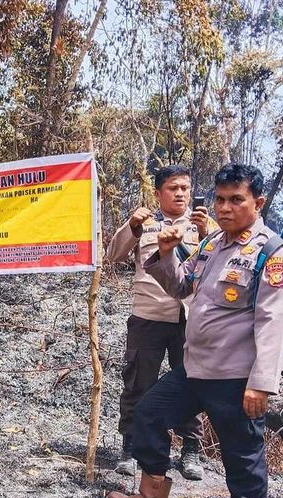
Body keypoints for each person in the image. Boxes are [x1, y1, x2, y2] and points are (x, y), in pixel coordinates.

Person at [106, 164, 283, 498]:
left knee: (242, 460)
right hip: (196, 370)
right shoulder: (211, 245)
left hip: (236, 378)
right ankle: (151, 494)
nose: (225, 208)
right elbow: (181, 286)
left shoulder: (272, 253)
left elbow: (274, 322)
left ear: (259, 202)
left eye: (236, 199)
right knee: (149, 414)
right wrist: (165, 254)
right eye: (220, 199)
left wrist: (261, 383)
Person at [106, 165, 213, 480]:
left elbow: (222, 260)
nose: (180, 193)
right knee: (138, 382)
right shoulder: (145, 223)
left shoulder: (203, 225)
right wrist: (132, 227)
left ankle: (190, 451)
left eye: (184, 188)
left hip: (190, 318)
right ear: (158, 193)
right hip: (148, 317)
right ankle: (130, 448)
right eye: (172, 188)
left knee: (194, 384)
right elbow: (113, 254)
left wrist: (208, 232)